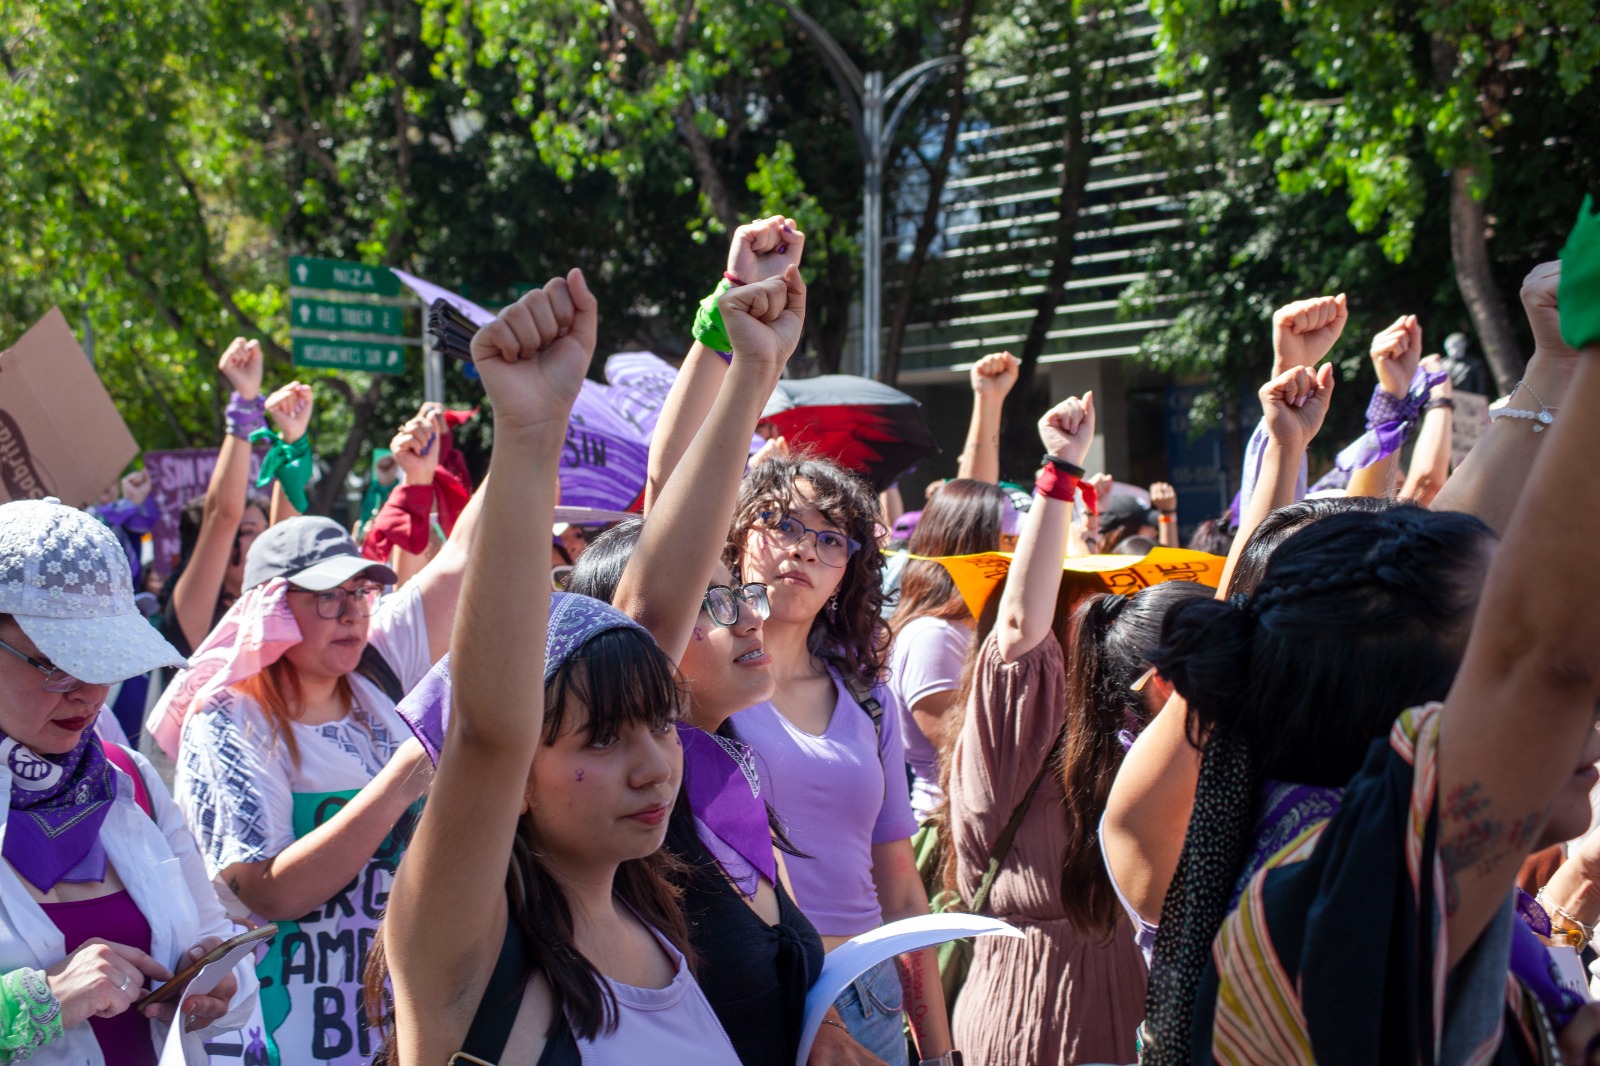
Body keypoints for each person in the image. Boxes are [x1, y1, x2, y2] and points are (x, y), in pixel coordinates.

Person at [1137, 218, 1600, 1063]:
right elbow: (1547, 658)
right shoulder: (1346, 900)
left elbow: (1436, 579)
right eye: (1490, 666)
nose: (1585, 723)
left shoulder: (1341, 863)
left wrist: (1556, 366)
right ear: (1412, 727)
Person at [370, 269, 741, 1065]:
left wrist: (755, 364)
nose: (654, 768)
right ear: (518, 780)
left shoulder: (646, 914)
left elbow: (656, 612)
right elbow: (486, 735)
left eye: (659, 725)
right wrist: (530, 432)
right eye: (600, 740)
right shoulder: (467, 962)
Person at [162, 480, 479, 1062]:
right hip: (288, 1029)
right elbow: (269, 891)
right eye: (328, 596)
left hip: (395, 1021)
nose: (353, 613)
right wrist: (404, 778)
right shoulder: (228, 719)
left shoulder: (376, 682)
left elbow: (468, 550)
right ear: (273, 609)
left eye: (361, 592)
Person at [940, 394, 1205, 1065]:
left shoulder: (1129, 722)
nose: (1106, 614)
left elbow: (1235, 620)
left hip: (1136, 994)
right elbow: (1018, 632)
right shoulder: (1013, 721)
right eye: (1083, 594)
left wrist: (1285, 446)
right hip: (1033, 1006)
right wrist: (1059, 471)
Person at [0, 499, 257, 1064]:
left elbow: (216, 946)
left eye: (104, 660)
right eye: (56, 663)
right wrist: (36, 1004)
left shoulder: (129, 777)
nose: (92, 692)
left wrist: (218, 988)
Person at [730, 452, 953, 1065]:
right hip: (751, 994)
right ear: (739, 535)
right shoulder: (697, 685)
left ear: (847, 571)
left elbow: (901, 891)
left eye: (830, 539)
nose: (803, 550)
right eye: (783, 524)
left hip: (869, 997)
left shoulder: (868, 698)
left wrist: (939, 1054)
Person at [887, 478, 1018, 821]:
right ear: (971, 546)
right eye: (1009, 540)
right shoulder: (933, 636)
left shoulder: (973, 626)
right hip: (952, 829)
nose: (1020, 553)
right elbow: (967, 755)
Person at [157, 338, 271, 658]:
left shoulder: (274, 610)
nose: (264, 542)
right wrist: (245, 404)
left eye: (265, 531)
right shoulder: (192, 615)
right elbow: (223, 516)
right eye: (248, 532)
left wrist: (294, 439)